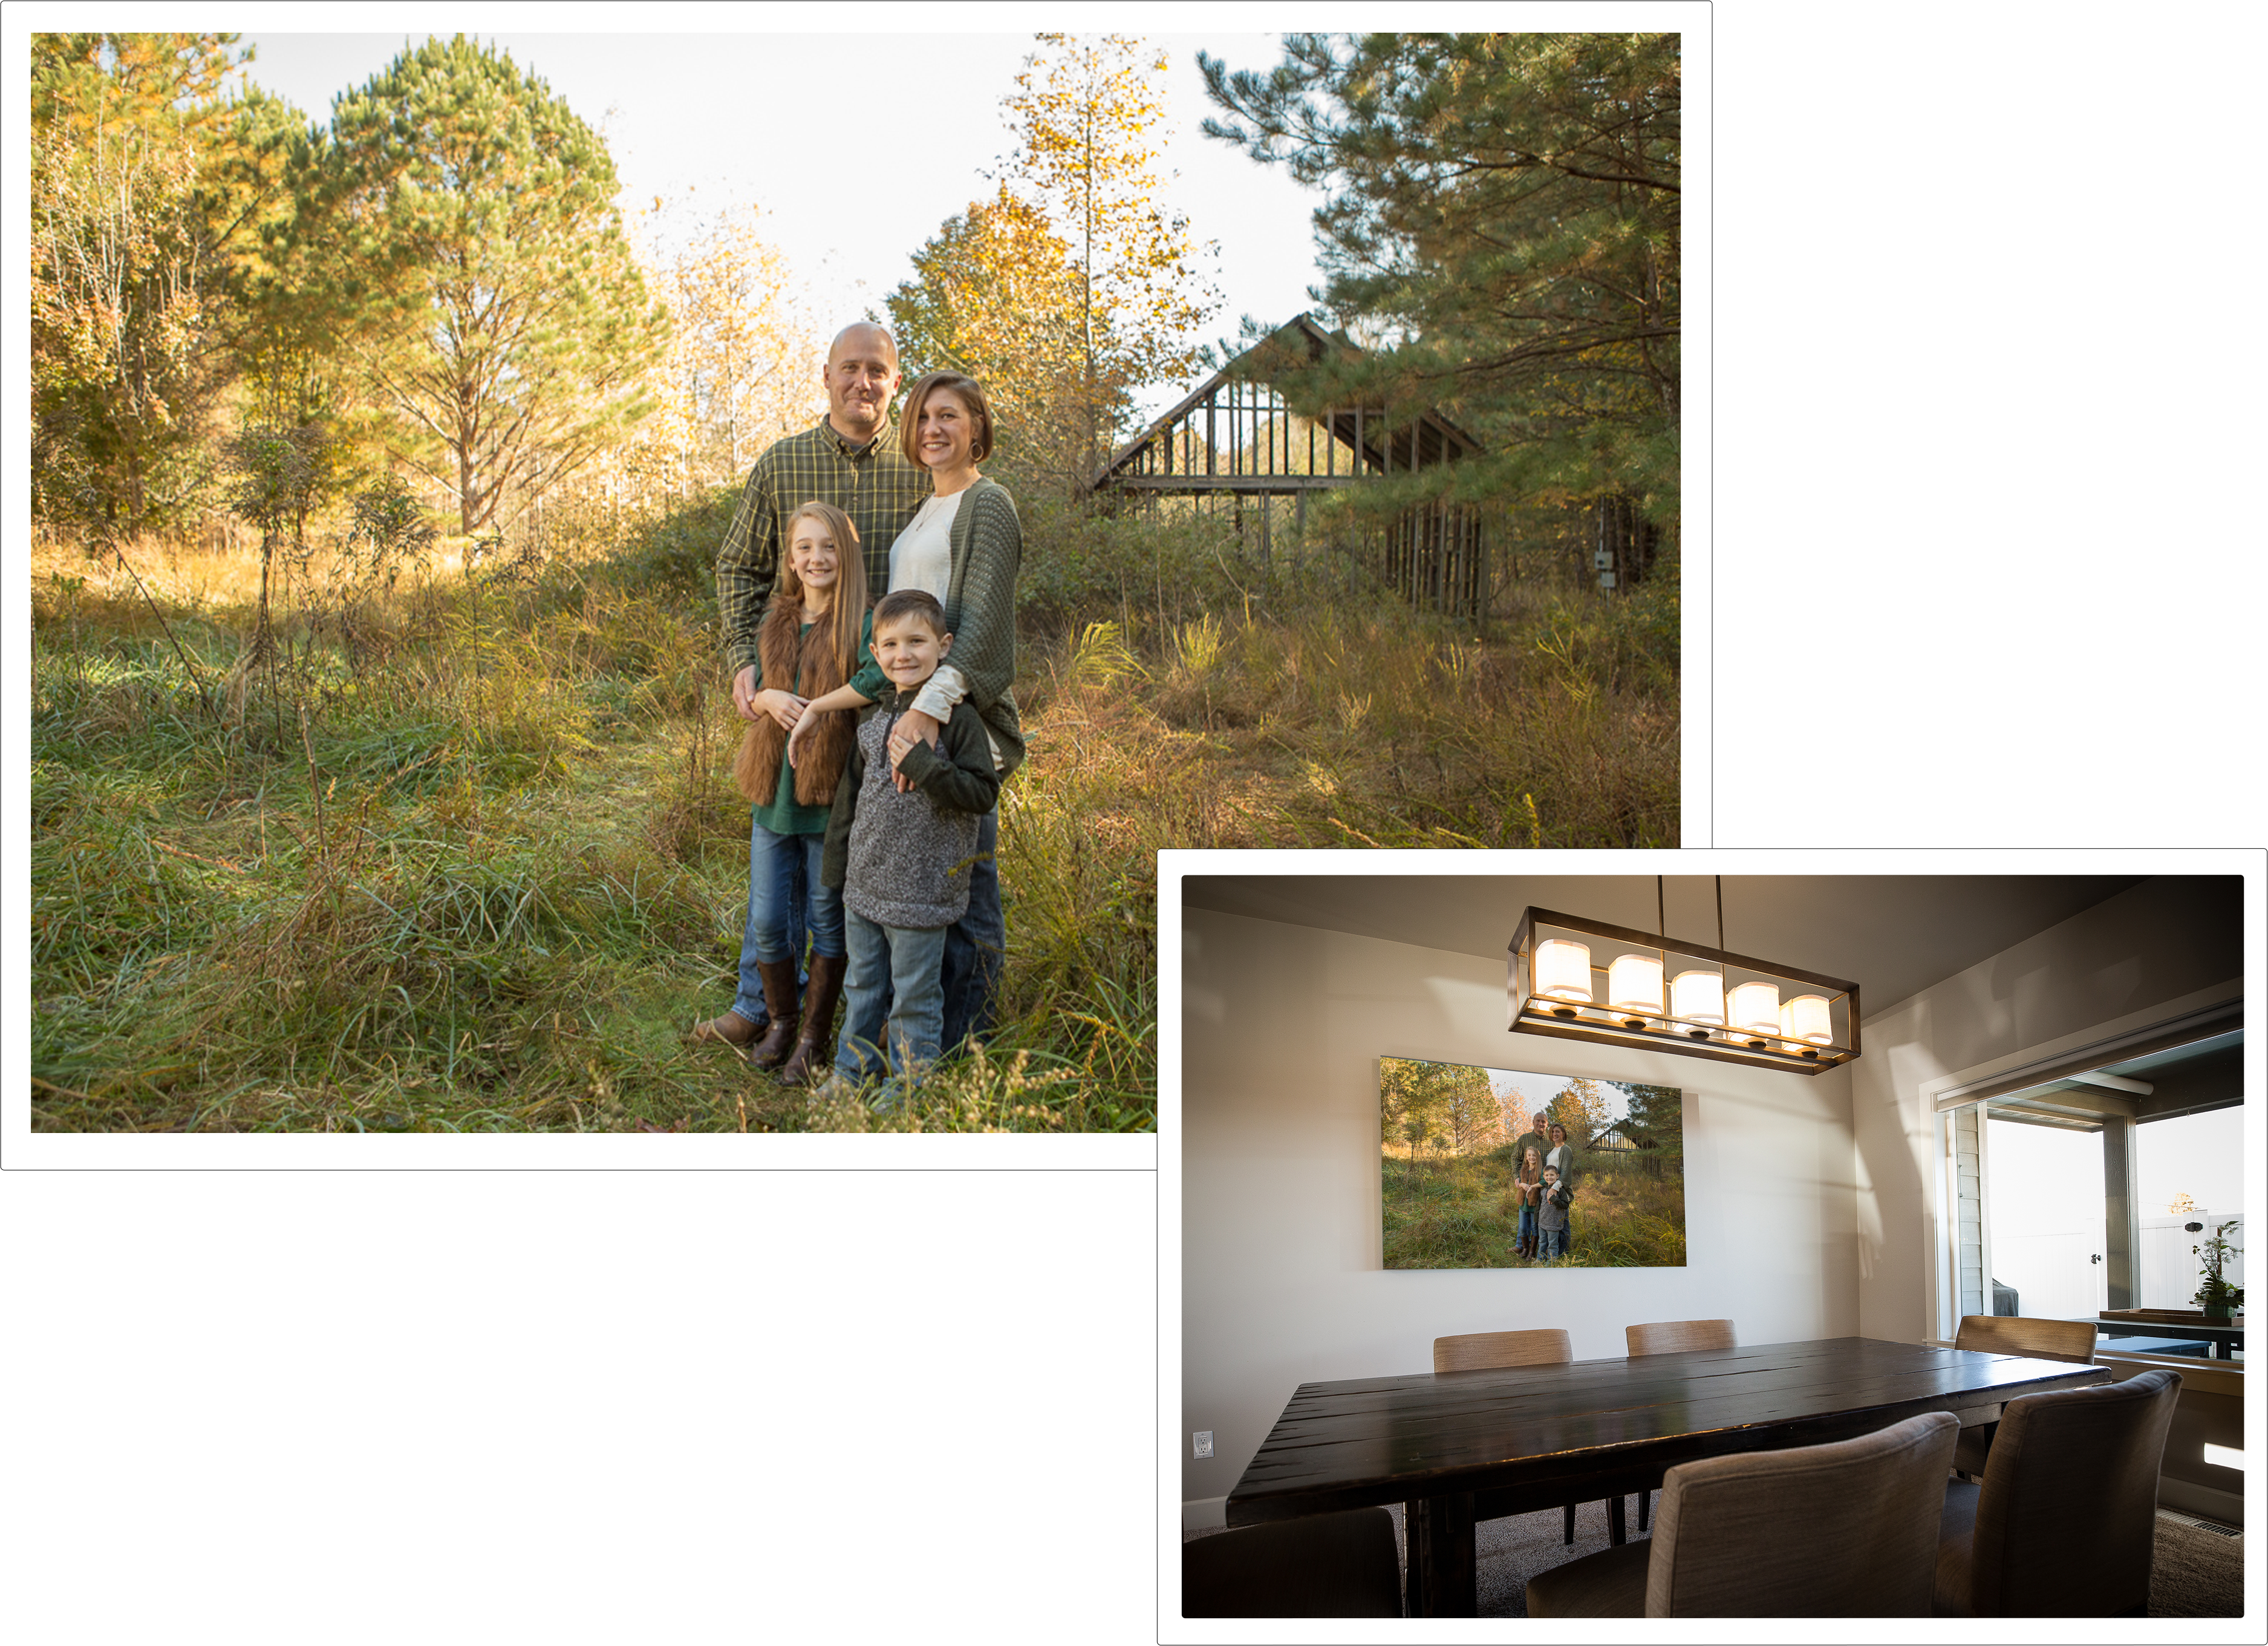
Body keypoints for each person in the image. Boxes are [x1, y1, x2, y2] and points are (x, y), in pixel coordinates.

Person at [698, 322, 930, 1056]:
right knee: (778, 844)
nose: (864, 382)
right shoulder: (784, 463)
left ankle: (859, 1019)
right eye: (850, 369)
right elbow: (739, 566)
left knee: (854, 867)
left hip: (886, 699)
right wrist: (745, 660)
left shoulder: (918, 466)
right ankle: (760, 1008)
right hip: (791, 686)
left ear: (895, 382)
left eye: (879, 371)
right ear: (826, 376)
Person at [792, 370, 1023, 1059]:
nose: (933, 430)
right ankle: (909, 1037)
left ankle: (966, 1045)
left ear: (977, 427)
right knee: (918, 879)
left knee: (966, 878)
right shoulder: (927, 509)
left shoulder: (989, 506)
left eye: (949, 416)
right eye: (922, 417)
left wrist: (925, 713)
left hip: (958, 718)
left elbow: (982, 629)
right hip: (907, 710)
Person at [724, 501, 887, 1083]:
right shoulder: (776, 618)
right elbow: (760, 688)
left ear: (846, 555)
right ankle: (780, 1020)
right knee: (768, 918)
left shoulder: (863, 621)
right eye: (805, 548)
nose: (817, 558)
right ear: (791, 559)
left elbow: (878, 676)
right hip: (773, 790)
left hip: (828, 793)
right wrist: (766, 699)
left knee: (826, 915)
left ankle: (815, 1037)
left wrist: (821, 705)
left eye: (828, 547)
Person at [819, 589, 1002, 1102]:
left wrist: (926, 766)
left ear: (943, 646)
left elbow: (983, 793)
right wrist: (837, 872)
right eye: (892, 644)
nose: (904, 654)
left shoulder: (957, 719)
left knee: (916, 996)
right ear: (875, 655)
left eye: (917, 641)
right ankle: (851, 1075)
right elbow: (848, 804)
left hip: (922, 888)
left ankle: (910, 1087)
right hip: (866, 884)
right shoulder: (873, 717)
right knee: (863, 989)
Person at [1545, 1122, 1579, 1254]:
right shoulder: (1553, 1150)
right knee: (1553, 1221)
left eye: (1558, 1131)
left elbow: (1565, 1173)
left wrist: (1555, 1188)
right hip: (1550, 1190)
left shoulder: (1566, 1149)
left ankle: (1565, 1252)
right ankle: (1554, 1250)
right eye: (1553, 1132)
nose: (1555, 1134)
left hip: (1560, 1191)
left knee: (1563, 1222)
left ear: (1563, 1134)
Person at [1513, 1145, 1545, 1261]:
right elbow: (1520, 1182)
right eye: (1529, 1155)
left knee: (1534, 1228)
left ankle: (1532, 1251)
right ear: (1526, 1157)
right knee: (1522, 1228)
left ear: (1538, 1157)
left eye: (1534, 1155)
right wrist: (1521, 1184)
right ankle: (1525, 1248)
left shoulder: (1541, 1170)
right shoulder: (1524, 1169)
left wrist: (1532, 1187)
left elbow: (1544, 1181)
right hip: (1523, 1203)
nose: (1532, 1157)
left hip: (1534, 1204)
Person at [1537, 1163, 1572, 1259]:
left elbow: (1565, 1205)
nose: (1549, 1177)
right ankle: (1540, 1259)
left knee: (1552, 1244)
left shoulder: (1561, 1191)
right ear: (1544, 1177)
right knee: (1542, 1242)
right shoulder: (1543, 1189)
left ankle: (1552, 1262)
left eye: (1552, 1175)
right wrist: (1537, 1219)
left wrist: (1554, 1199)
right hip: (1542, 1222)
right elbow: (1540, 1206)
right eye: (1547, 1175)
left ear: (1558, 1176)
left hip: (1554, 1222)